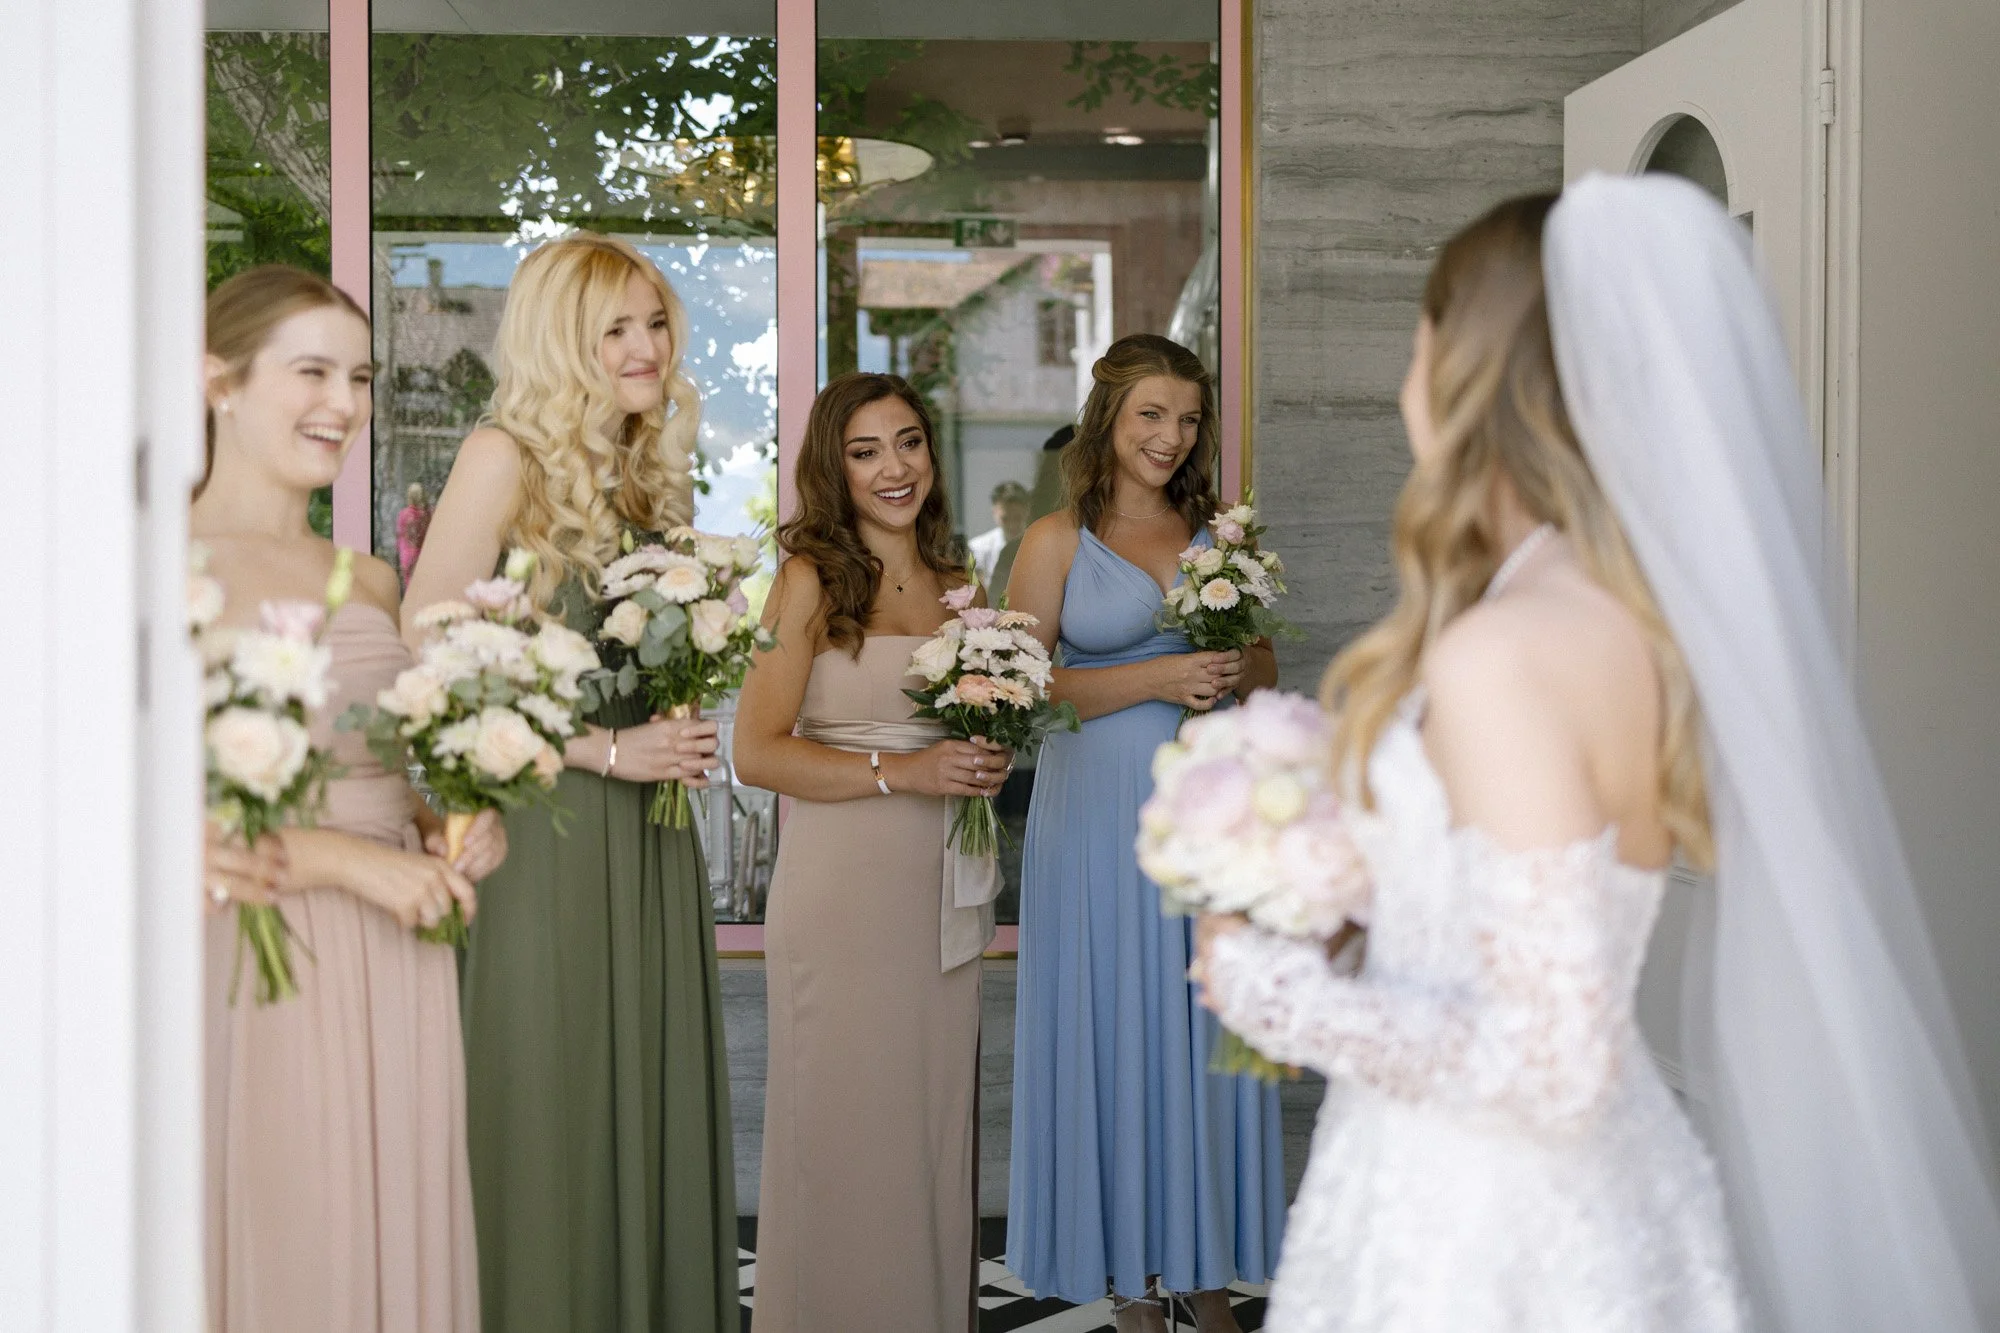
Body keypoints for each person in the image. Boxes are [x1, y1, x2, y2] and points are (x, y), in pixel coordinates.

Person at [1193, 178, 2000, 1332]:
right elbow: (1536, 896)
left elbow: (1547, 1063)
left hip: (1481, 1230)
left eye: (1421, 330)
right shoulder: (1629, 613)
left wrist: (1272, 990)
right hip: (1599, 1189)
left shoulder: (1502, 651)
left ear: (1466, 363)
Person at [403, 231, 738, 1333]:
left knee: (644, 1101)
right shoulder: (504, 456)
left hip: (649, 835)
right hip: (546, 832)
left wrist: (683, 703)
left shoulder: (651, 471)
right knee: (551, 1107)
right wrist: (603, 751)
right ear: (564, 339)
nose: (646, 346)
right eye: (617, 328)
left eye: (655, 322)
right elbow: (426, 645)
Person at [196, 264, 506, 1333]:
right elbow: (126, 813)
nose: (343, 401)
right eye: (312, 371)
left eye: (360, 376)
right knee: (286, 1234)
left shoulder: (368, 579)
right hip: (254, 953)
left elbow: (386, 767)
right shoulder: (148, 566)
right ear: (216, 381)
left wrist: (443, 818)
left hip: (398, 958)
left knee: (388, 1239)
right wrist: (352, 862)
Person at [1004, 333, 1284, 1332]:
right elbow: (1020, 692)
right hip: (1093, 829)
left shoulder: (1220, 533)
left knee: (1198, 1034)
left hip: (1204, 821)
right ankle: (1130, 1290)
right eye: (1150, 416)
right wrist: (1158, 678)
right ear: (1109, 420)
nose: (1170, 437)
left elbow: (1264, 666)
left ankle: (1207, 1283)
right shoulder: (1050, 542)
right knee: (1117, 1027)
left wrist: (1231, 672)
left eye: (1188, 418)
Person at [733, 372, 1010, 1333]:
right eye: (866, 451)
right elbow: (754, 749)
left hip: (940, 896)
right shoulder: (809, 576)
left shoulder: (963, 586)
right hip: (842, 899)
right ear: (833, 466)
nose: (894, 467)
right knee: (842, 1139)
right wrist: (909, 772)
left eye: (908, 442)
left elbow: (972, 732)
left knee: (925, 1143)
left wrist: (985, 753)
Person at [968, 478, 1030, 589]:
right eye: (1005, 519)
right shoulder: (977, 549)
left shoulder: (1039, 544)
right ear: (994, 512)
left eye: (1017, 518)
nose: (1012, 525)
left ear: (1027, 511)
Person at [395, 481, 431, 584]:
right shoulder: (428, 514)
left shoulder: (403, 514)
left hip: (407, 556)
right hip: (424, 556)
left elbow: (399, 537)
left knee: (410, 590)